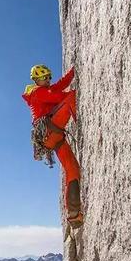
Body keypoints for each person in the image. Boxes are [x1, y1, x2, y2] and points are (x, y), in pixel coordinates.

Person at [22, 64, 83, 226]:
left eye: (49, 77)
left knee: (73, 170)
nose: (48, 80)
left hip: (54, 136)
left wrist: (72, 72)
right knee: (72, 97)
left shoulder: (45, 90)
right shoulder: (38, 92)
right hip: (50, 130)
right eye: (44, 78)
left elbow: (59, 85)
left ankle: (74, 215)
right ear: (36, 80)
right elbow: (59, 96)